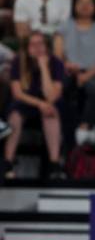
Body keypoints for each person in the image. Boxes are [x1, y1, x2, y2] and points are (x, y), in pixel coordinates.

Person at [53, 0, 95, 147]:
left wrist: (87, 75)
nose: (85, 6)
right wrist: (68, 66)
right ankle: (63, 128)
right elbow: (57, 55)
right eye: (81, 2)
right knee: (62, 86)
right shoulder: (64, 27)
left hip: (92, 72)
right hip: (68, 70)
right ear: (74, 6)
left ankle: (84, 127)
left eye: (89, 2)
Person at [2, 32, 64, 179]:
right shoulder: (19, 62)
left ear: (47, 46)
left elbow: (52, 95)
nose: (37, 48)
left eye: (40, 43)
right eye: (32, 44)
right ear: (26, 48)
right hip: (25, 102)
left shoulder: (56, 63)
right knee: (15, 117)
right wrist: (40, 104)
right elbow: (17, 93)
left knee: (51, 114)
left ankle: (54, 164)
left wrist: (43, 67)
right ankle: (8, 162)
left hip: (48, 103)